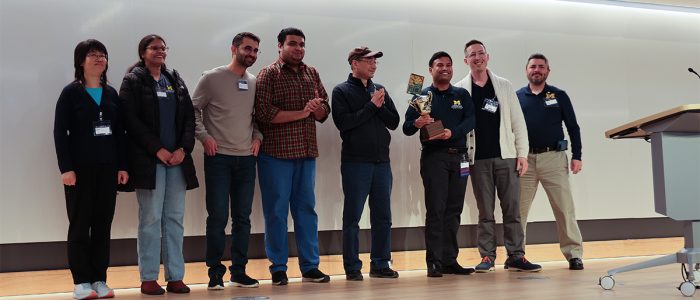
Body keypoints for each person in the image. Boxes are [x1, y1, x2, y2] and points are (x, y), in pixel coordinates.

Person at [120, 34, 199, 295]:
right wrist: (158, 149)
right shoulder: (133, 81)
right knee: (151, 219)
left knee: (174, 219)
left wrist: (182, 150)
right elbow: (130, 120)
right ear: (143, 52)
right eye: (155, 48)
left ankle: (176, 276)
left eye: (164, 48)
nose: (160, 52)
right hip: (148, 162)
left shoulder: (175, 79)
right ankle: (149, 277)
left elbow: (189, 117)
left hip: (176, 161)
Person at [454, 40, 541, 272]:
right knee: (485, 212)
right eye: (472, 55)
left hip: (506, 157)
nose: (477, 57)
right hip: (477, 159)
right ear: (466, 60)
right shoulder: (460, 88)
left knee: (512, 209)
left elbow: (518, 123)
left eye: (481, 53)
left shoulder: (503, 85)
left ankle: (516, 255)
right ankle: (487, 257)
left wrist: (522, 154)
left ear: (487, 57)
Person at [254, 27, 331, 285]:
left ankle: (310, 266)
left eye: (301, 44)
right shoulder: (268, 74)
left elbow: (324, 112)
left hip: (306, 153)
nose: (298, 48)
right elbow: (264, 114)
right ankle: (278, 267)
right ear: (280, 46)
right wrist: (303, 112)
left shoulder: (312, 73)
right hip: (276, 155)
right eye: (292, 44)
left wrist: (316, 109)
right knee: (276, 212)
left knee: (307, 211)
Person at [53, 39, 128, 300]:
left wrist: (122, 166)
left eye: (103, 55)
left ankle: (99, 279)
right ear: (81, 61)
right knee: (79, 225)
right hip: (79, 172)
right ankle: (81, 282)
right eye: (93, 55)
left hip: (107, 171)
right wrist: (66, 168)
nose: (99, 59)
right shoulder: (70, 93)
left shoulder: (111, 94)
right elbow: (60, 133)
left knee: (102, 226)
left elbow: (119, 133)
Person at [191, 32, 263, 290]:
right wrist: (204, 137)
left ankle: (239, 271)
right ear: (234, 49)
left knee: (243, 218)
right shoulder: (211, 78)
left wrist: (258, 136)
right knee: (218, 217)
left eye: (255, 50)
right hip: (218, 158)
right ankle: (215, 273)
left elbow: (257, 117)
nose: (251, 54)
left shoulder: (254, 82)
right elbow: (193, 109)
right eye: (247, 48)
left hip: (246, 159)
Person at [403, 51, 476, 278]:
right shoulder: (421, 95)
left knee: (454, 210)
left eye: (448, 65)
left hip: (461, 158)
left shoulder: (462, 94)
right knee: (436, 209)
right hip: (435, 157)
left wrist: (452, 131)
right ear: (430, 70)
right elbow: (406, 127)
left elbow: (471, 120)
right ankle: (433, 262)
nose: (444, 68)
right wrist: (417, 122)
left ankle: (449, 260)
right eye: (439, 65)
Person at [332, 47, 400, 281]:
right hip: (356, 163)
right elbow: (344, 123)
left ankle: (381, 263)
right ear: (354, 63)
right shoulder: (341, 91)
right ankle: (352, 267)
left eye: (375, 61)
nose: (373, 65)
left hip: (382, 162)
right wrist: (372, 106)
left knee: (383, 216)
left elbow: (394, 122)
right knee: (352, 217)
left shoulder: (380, 90)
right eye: (368, 60)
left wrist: (378, 106)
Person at [516, 53, 584, 270]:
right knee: (518, 212)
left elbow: (573, 127)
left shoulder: (559, 95)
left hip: (554, 159)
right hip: (524, 161)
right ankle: (517, 255)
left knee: (565, 209)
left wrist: (577, 156)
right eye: (533, 66)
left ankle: (574, 254)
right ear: (526, 70)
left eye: (541, 67)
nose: (537, 70)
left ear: (547, 71)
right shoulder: (517, 97)